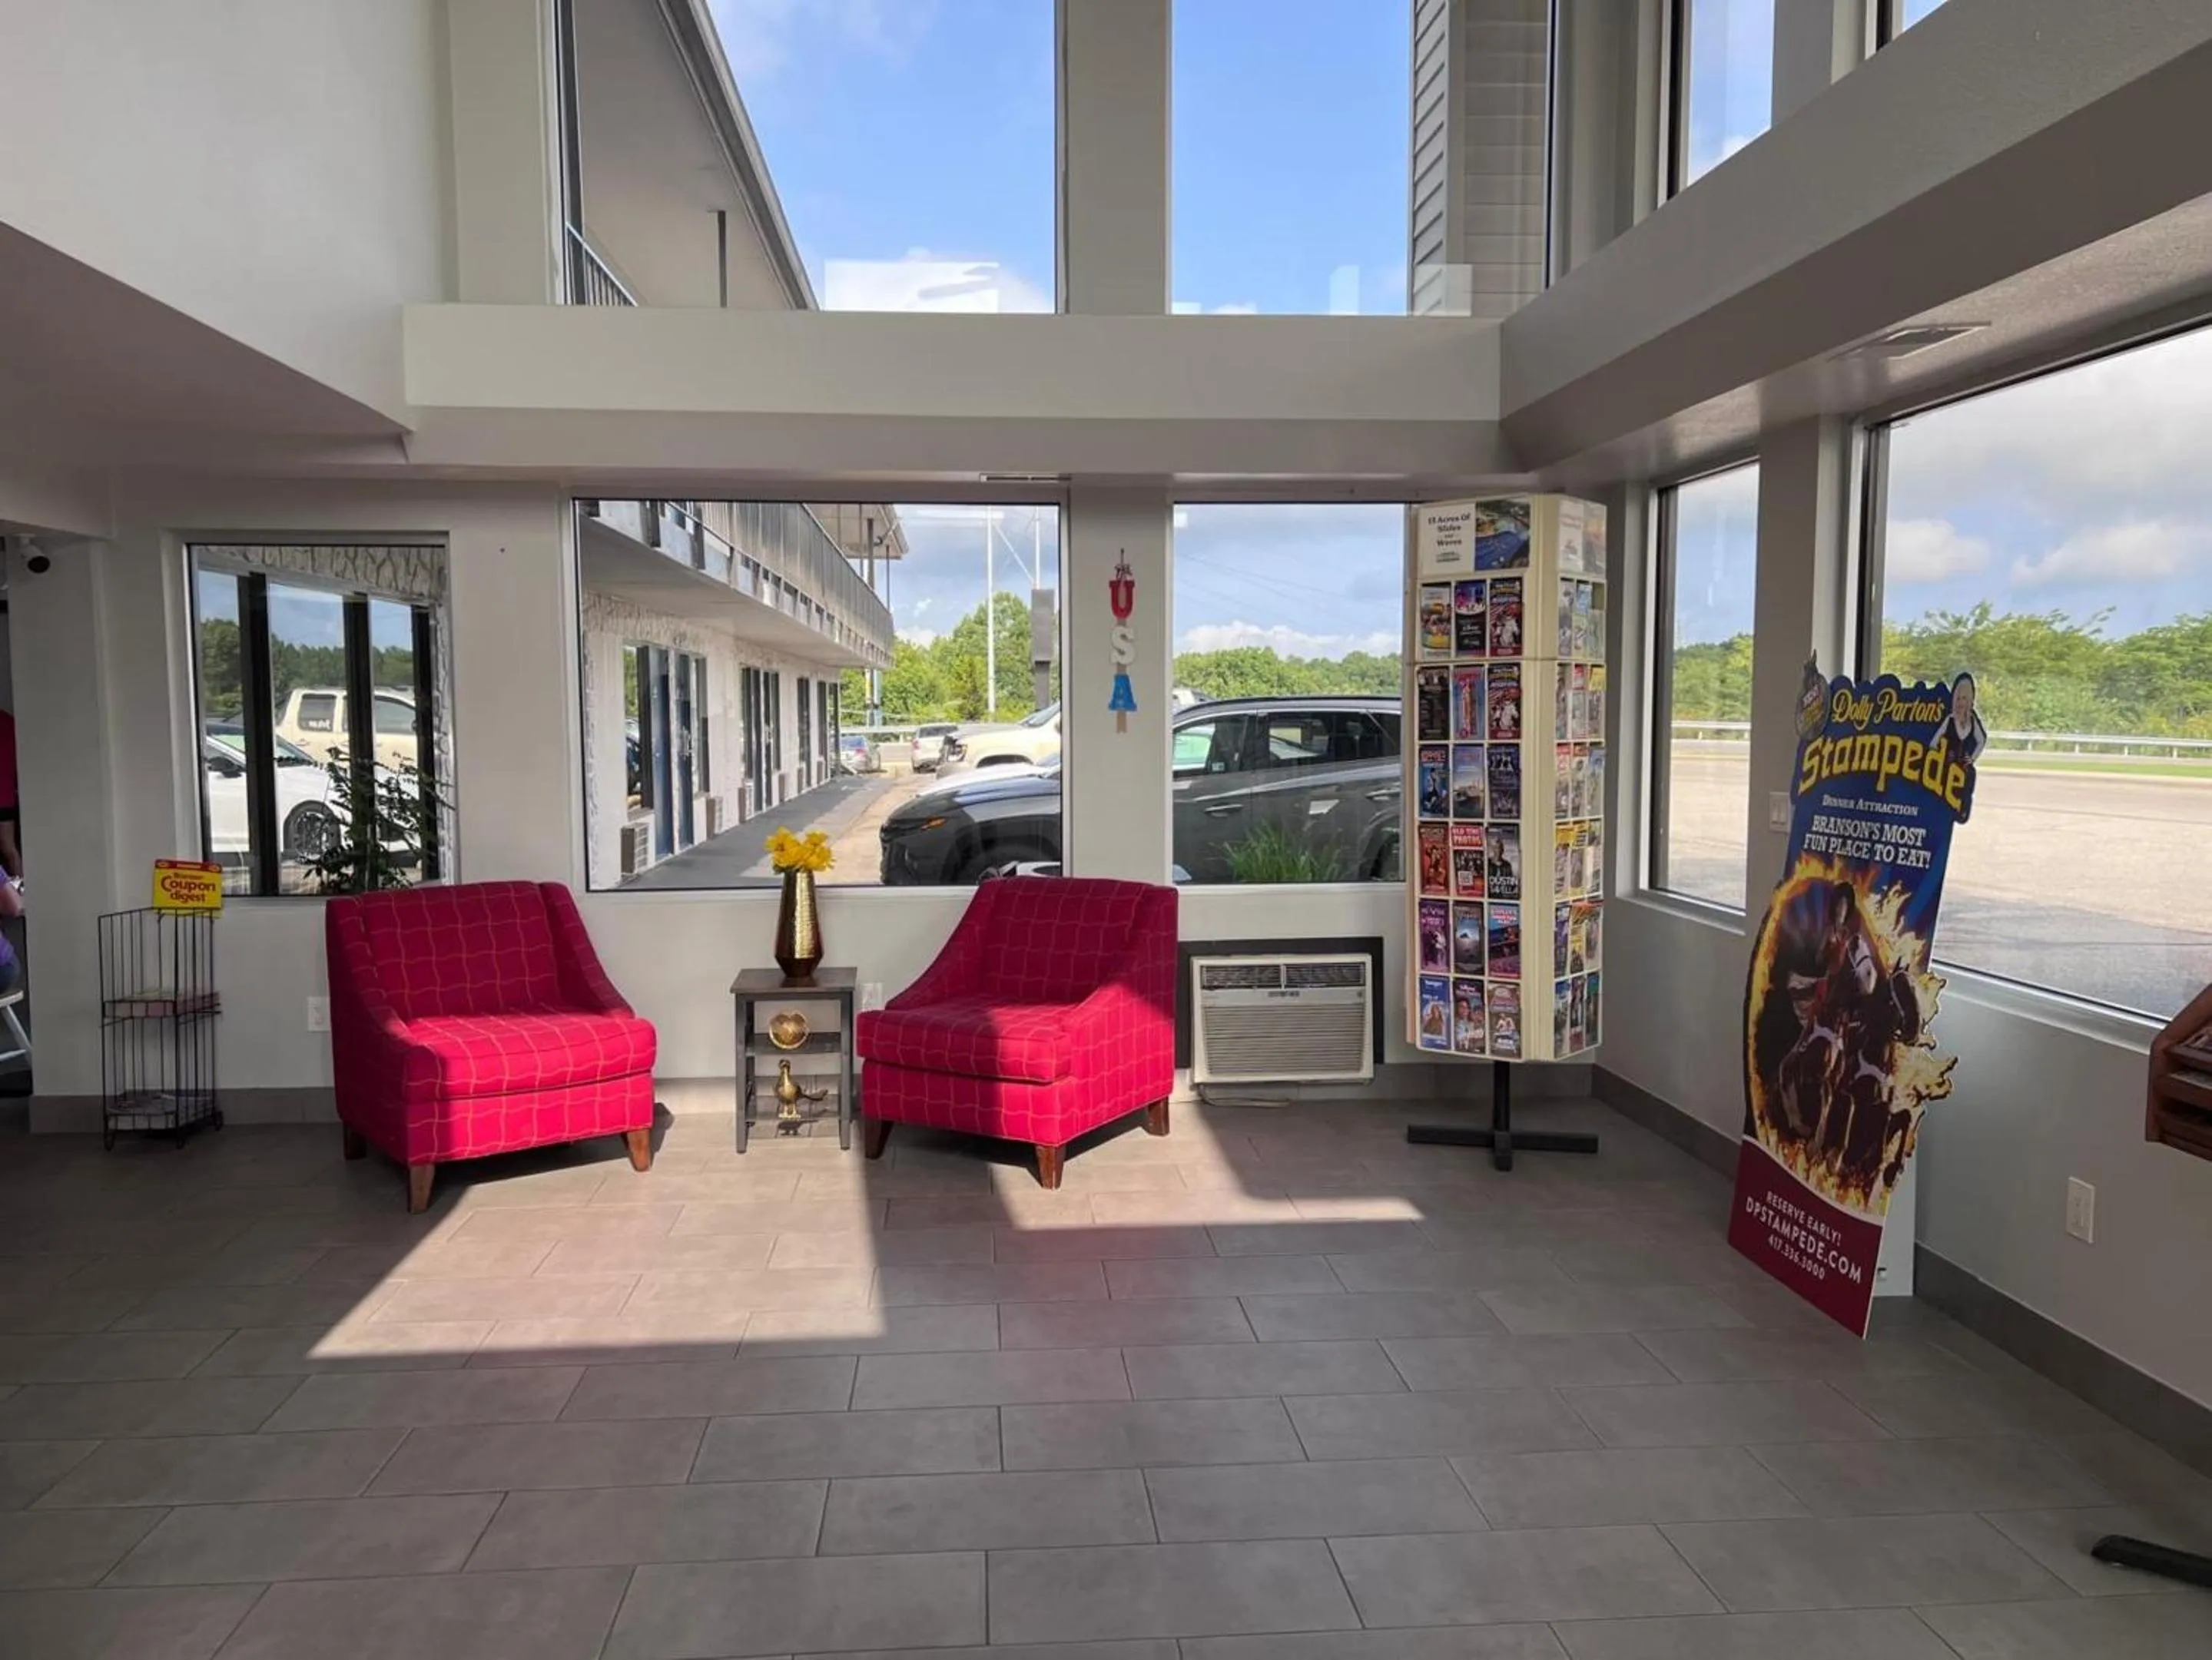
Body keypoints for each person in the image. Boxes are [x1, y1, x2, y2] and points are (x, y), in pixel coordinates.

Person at [1945, 673, 1989, 766]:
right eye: (1958, 698)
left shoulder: (1972, 720)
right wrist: (1943, 755)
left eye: (1964, 698)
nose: (1961, 702)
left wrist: (1972, 758)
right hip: (1949, 769)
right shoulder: (1950, 719)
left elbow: (1981, 741)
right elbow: (1934, 742)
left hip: (1965, 769)